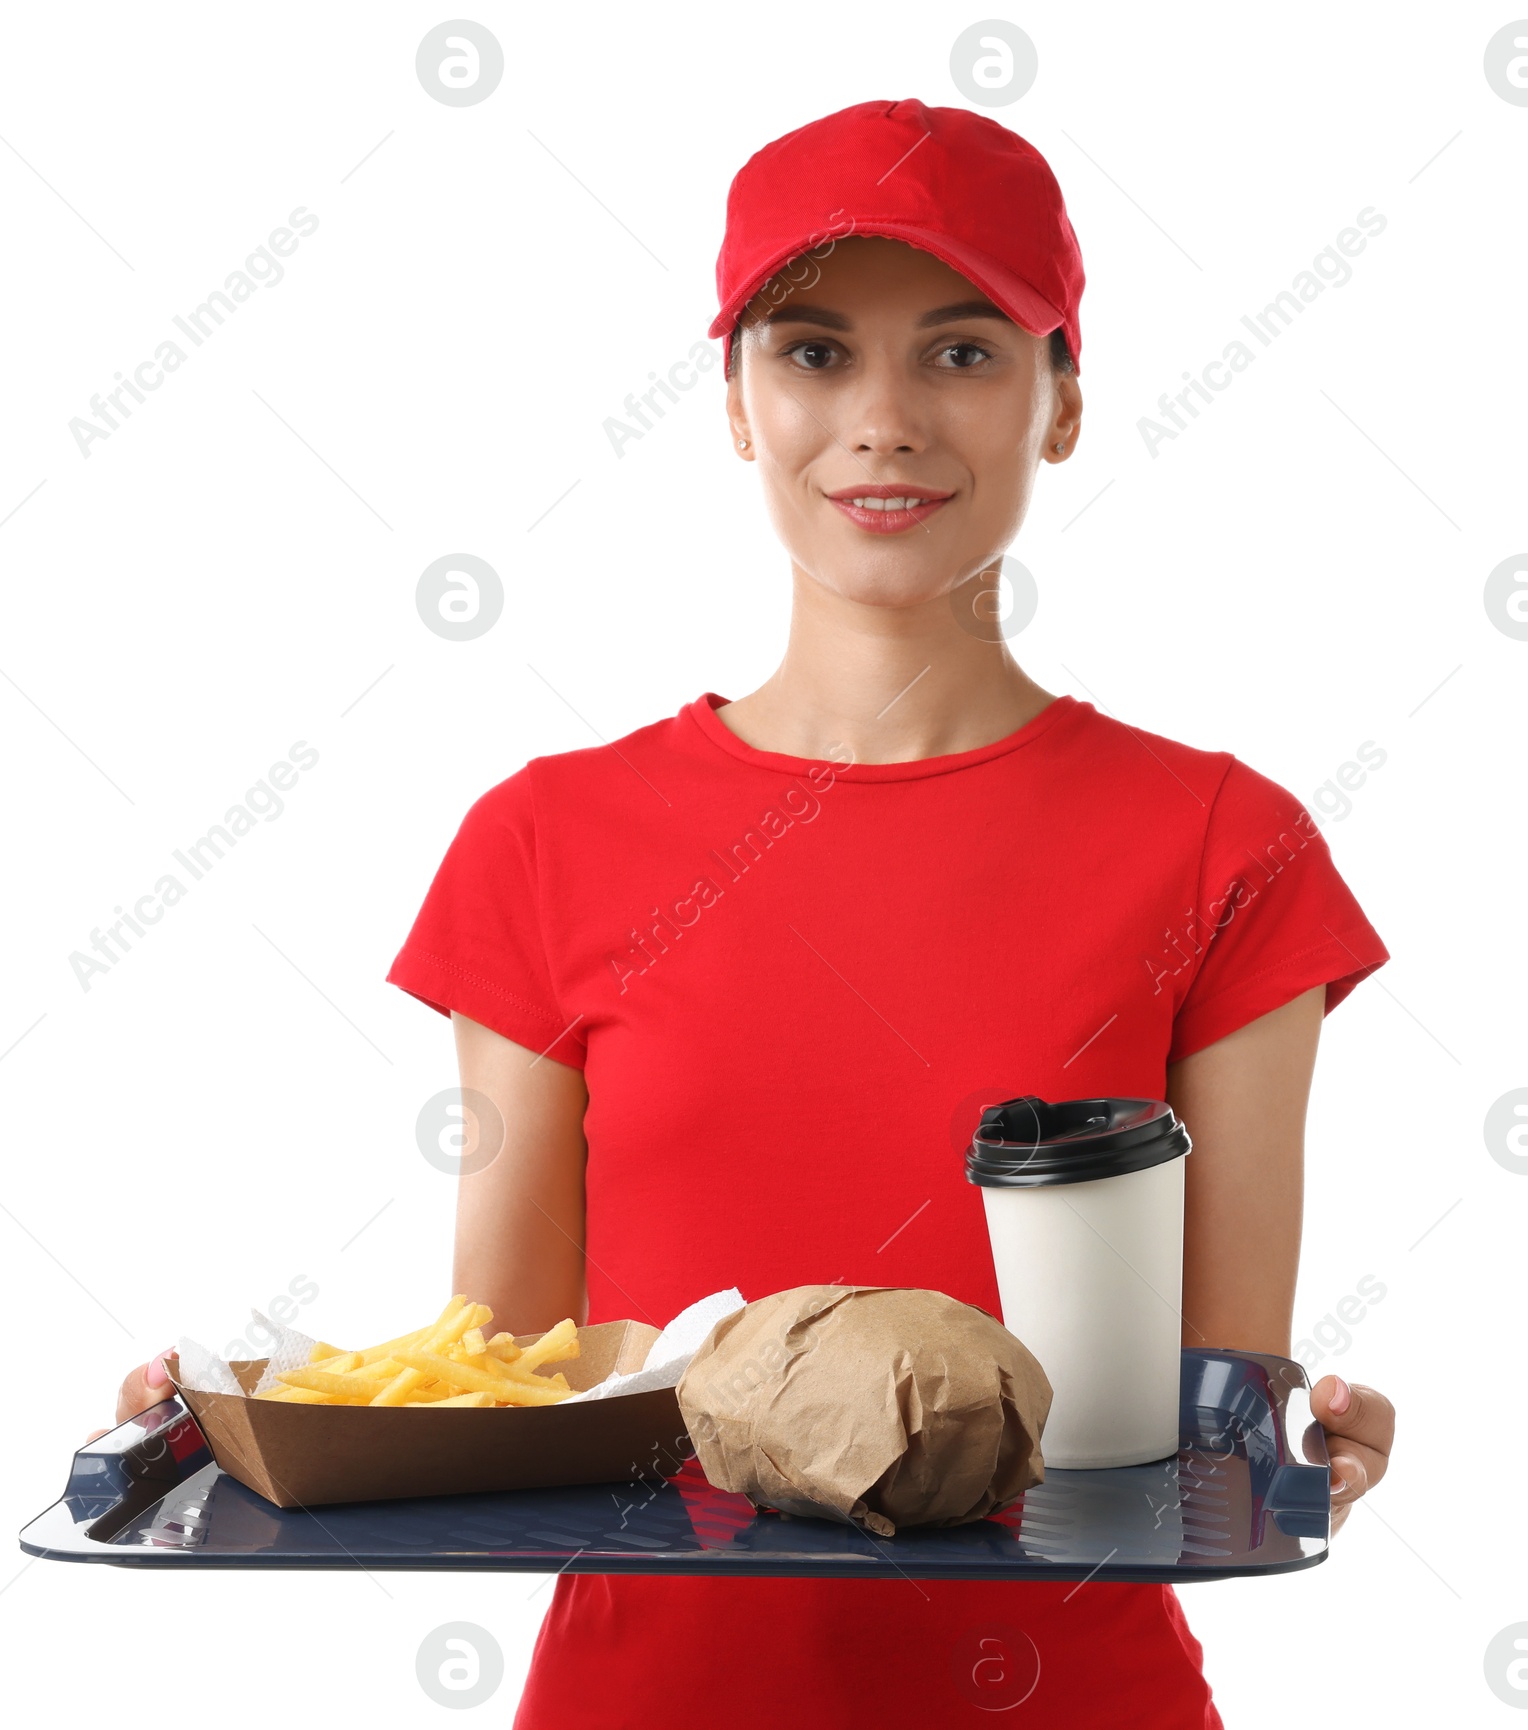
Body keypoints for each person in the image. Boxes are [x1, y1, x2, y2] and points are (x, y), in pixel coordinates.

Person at [101, 100, 1397, 1726]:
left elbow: (1209, 1411)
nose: (883, 419)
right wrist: (233, 1430)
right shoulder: (545, 843)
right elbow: (516, 1373)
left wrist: (1300, 1453)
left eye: (965, 353)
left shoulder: (1227, 848)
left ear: (1065, 400)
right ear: (731, 401)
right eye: (811, 351)